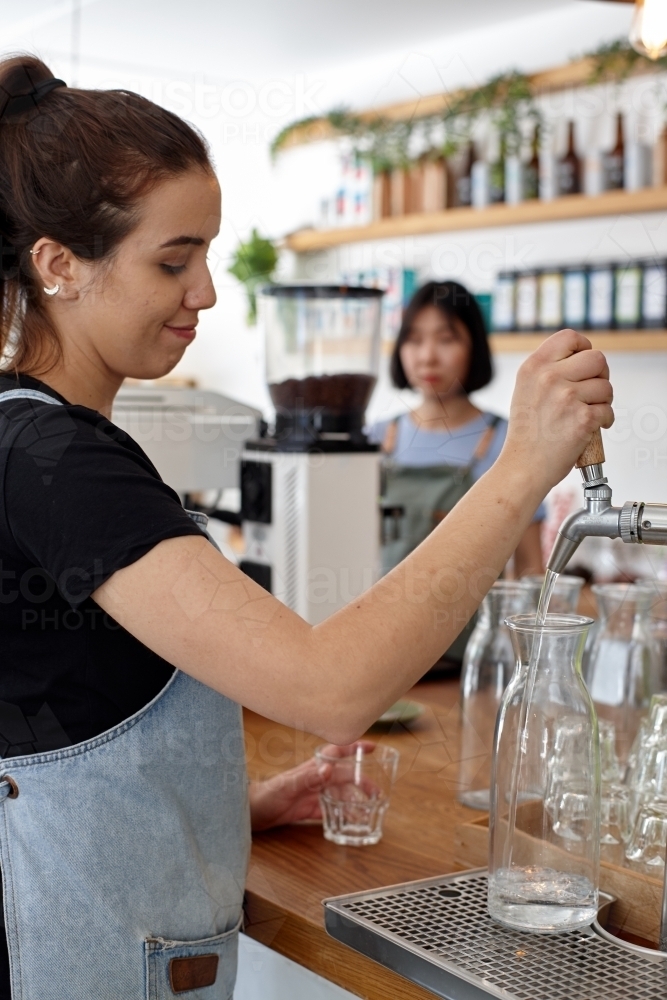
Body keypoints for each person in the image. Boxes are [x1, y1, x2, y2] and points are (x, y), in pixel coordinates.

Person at [0, 57, 613, 999]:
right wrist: (522, 463)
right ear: (57, 266)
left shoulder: (39, 439)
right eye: (173, 260)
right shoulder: (57, 463)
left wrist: (226, 805)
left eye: (207, 253)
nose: (205, 292)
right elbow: (332, 690)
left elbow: (50, 717)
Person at [369, 280, 545, 665]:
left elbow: (531, 569)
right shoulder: (375, 440)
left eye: (446, 339)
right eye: (414, 340)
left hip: (467, 656)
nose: (428, 356)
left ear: (474, 347)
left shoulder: (508, 443)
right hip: (375, 649)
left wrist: (527, 659)